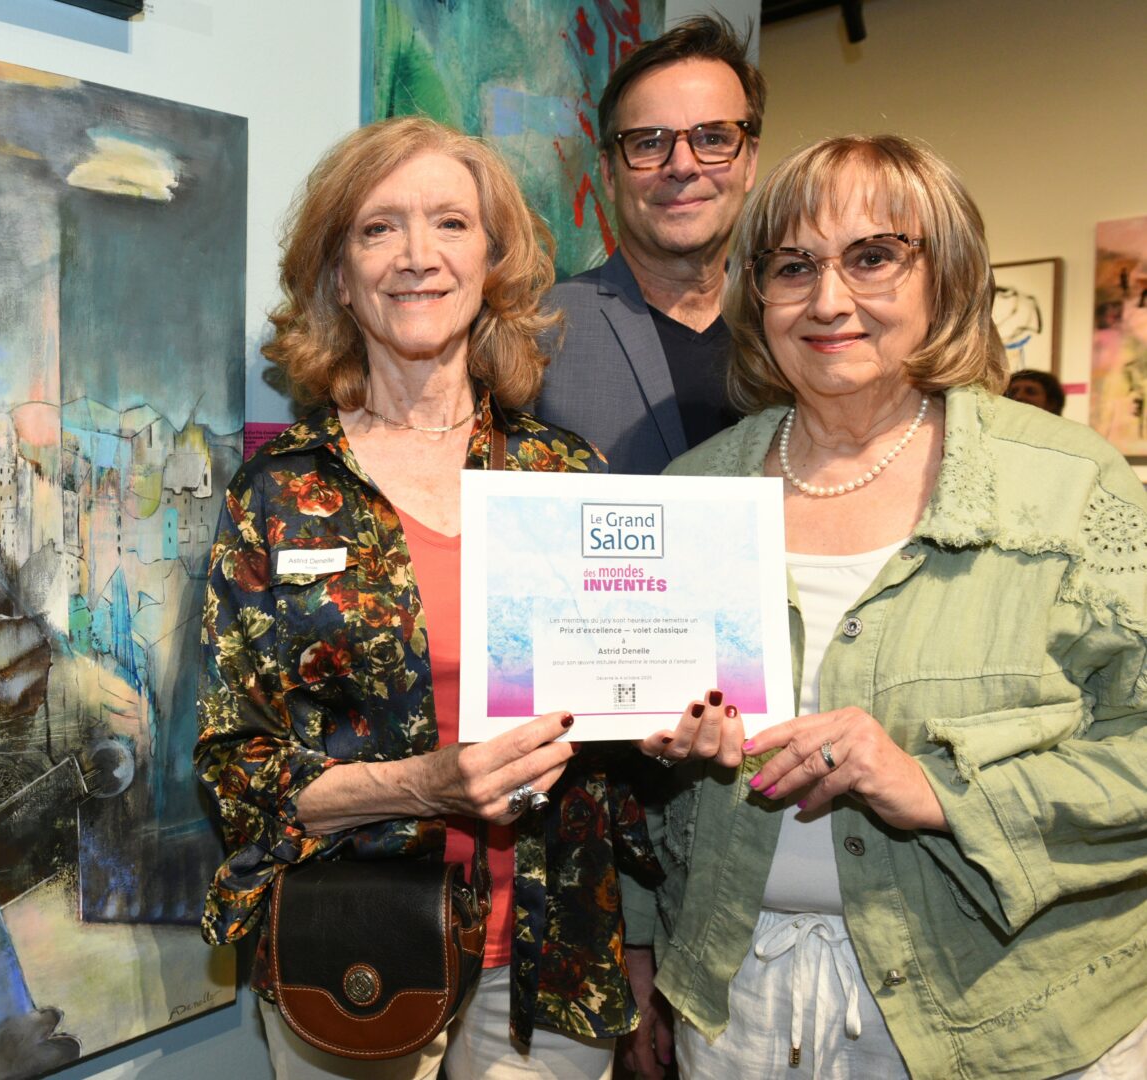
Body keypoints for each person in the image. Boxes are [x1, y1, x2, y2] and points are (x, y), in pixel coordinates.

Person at [632, 134, 1147, 1078]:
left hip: (1011, 1015)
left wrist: (947, 793)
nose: (829, 301)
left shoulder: (1072, 488)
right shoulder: (695, 490)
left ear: (945, 278)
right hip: (735, 1011)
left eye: (873, 258)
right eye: (794, 267)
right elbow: (636, 782)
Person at [195, 116, 659, 1079]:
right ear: (337, 272)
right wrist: (424, 786)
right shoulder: (280, 493)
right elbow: (235, 769)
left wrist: (673, 715)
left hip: (549, 950)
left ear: (492, 259)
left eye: (450, 223)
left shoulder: (566, 479)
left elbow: (622, 709)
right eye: (378, 228)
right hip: (354, 949)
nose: (417, 256)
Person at [536, 15, 765, 476]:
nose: (682, 165)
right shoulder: (539, 332)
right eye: (648, 143)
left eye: (714, 138)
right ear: (608, 173)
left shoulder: (794, 326)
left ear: (750, 161)